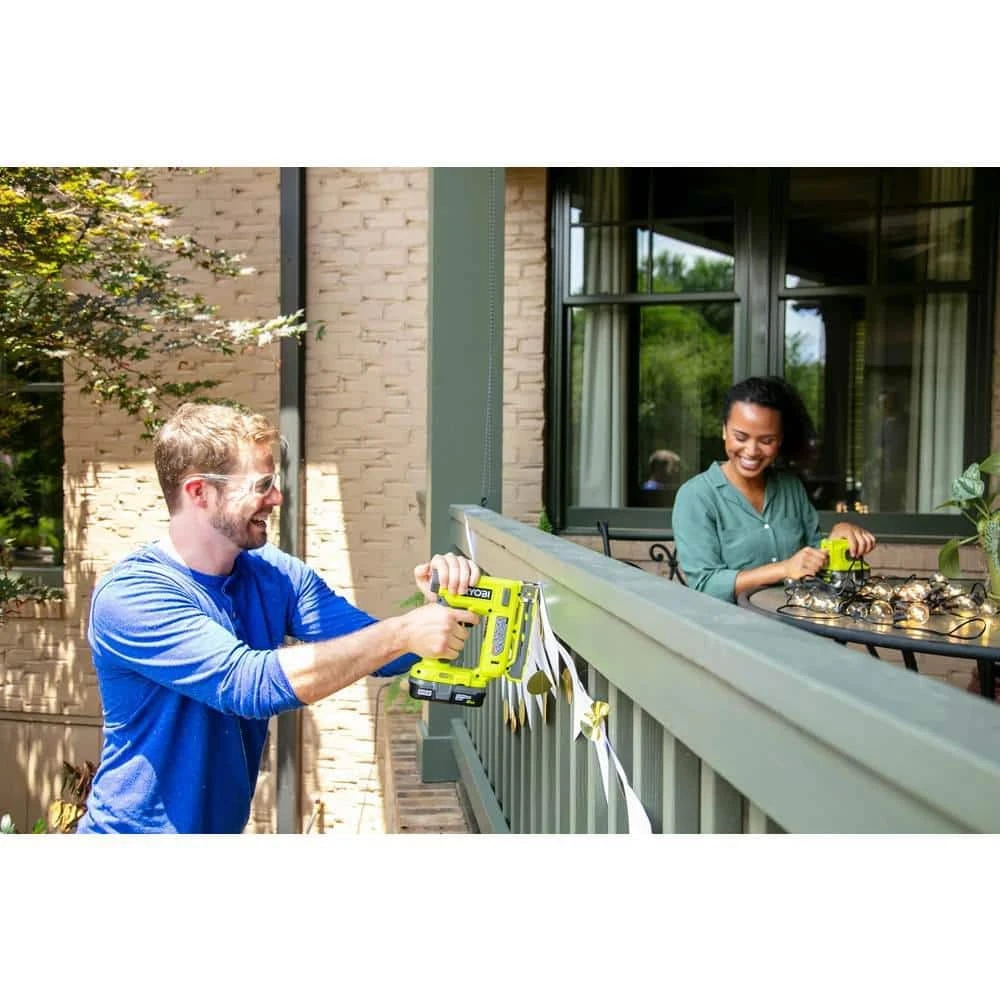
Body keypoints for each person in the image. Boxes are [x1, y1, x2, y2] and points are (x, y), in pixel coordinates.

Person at [76, 402, 481, 834]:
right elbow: (248, 684)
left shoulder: (277, 576)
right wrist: (403, 631)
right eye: (262, 485)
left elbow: (387, 654)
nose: (277, 498)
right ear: (199, 493)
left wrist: (439, 604)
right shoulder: (132, 596)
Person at [671, 376, 877, 604]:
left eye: (766, 440)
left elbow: (813, 559)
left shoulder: (791, 487)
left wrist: (838, 535)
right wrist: (784, 568)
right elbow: (706, 584)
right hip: (730, 624)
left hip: (796, 619)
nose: (751, 451)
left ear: (780, 440)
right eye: (740, 437)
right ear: (724, 431)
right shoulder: (696, 496)